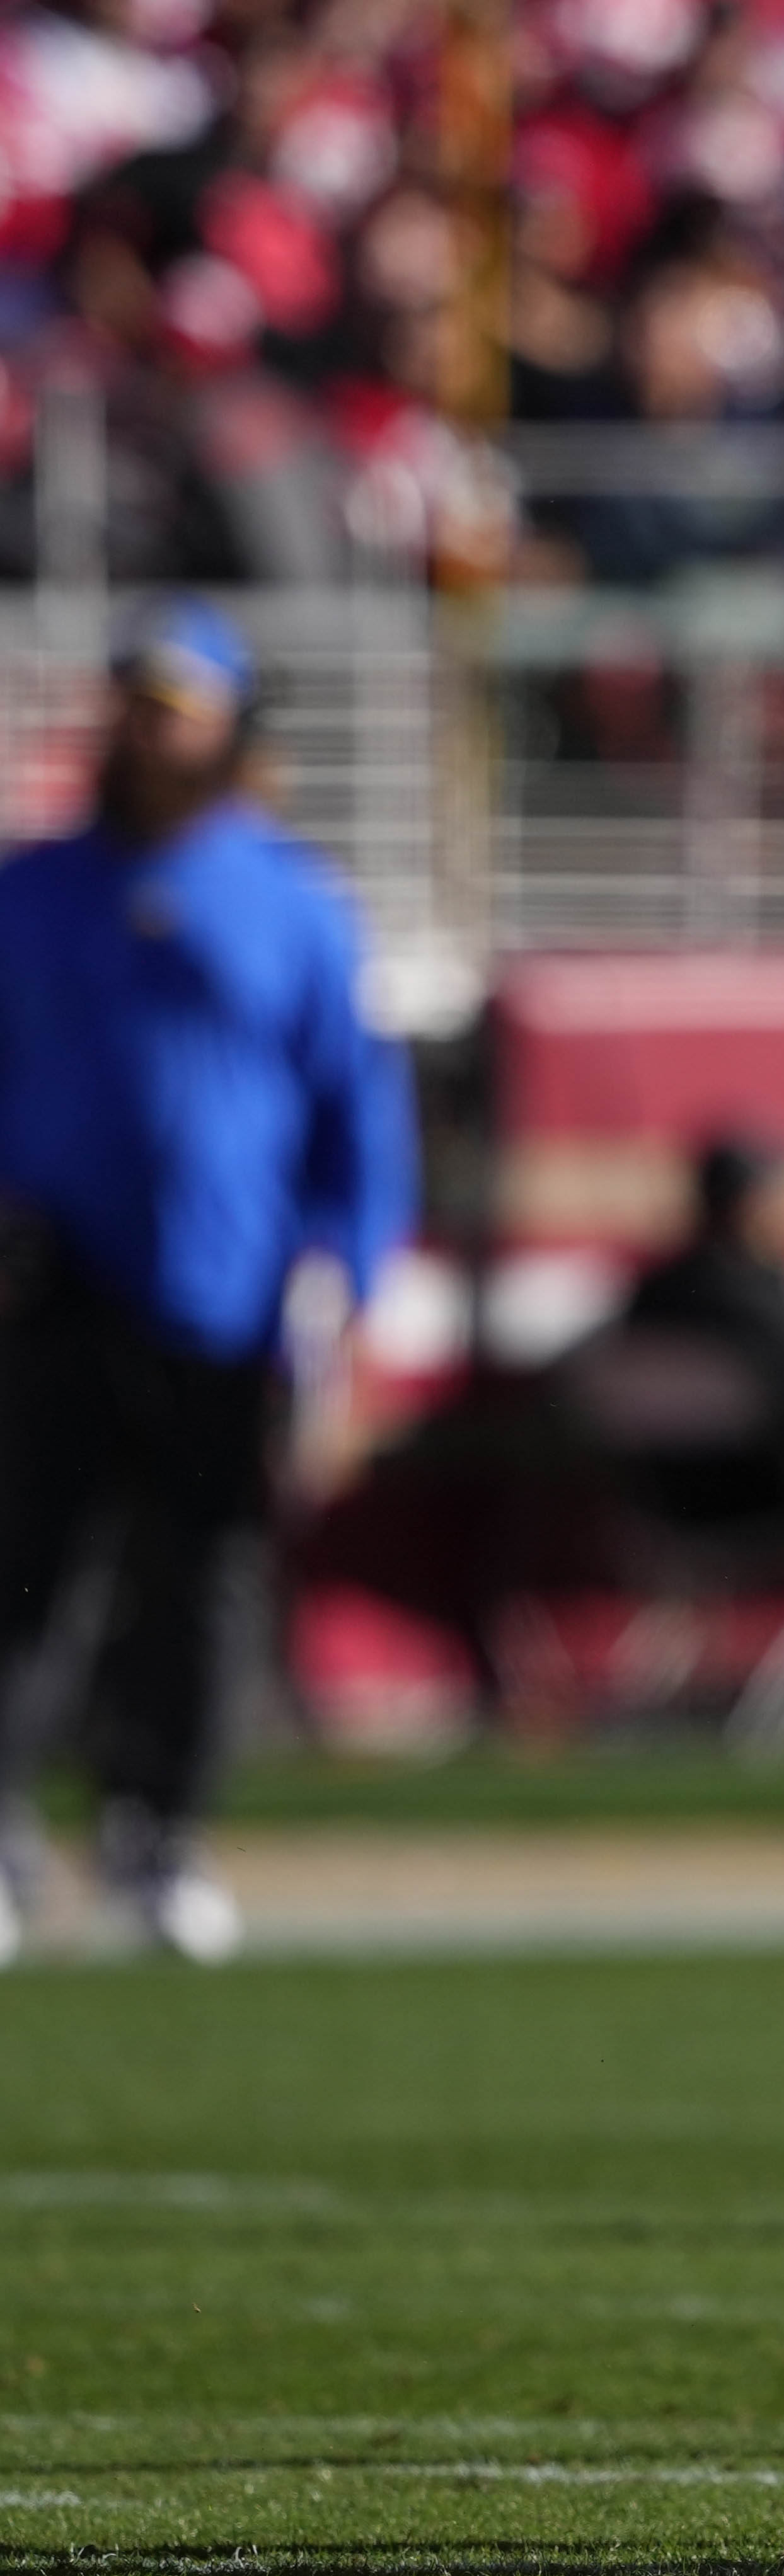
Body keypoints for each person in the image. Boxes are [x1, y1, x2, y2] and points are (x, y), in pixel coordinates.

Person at [0, 600, 415, 1967]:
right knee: (31, 1567)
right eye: (133, 702)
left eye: (174, 707)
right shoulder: (31, 892)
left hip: (225, 1297)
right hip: (51, 1284)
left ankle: (159, 1828)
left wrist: (345, 1292)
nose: (146, 730)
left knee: (201, 1574)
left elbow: (357, 1118)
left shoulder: (292, 902)